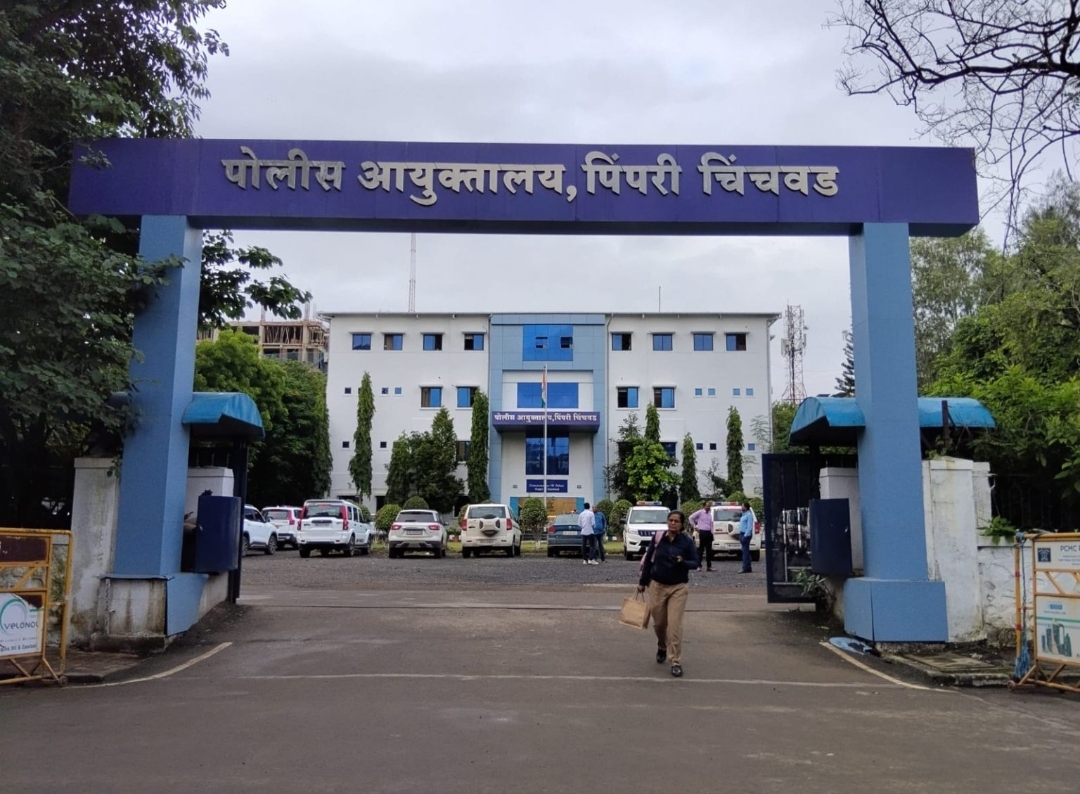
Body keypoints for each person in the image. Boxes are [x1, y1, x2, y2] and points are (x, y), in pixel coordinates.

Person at [636, 510, 699, 678]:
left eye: (676, 521)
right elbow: (648, 560)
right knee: (659, 624)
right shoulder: (659, 538)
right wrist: (642, 582)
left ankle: (675, 661)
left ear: (681, 524)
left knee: (674, 625)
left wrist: (682, 562)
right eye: (671, 520)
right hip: (657, 585)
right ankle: (662, 645)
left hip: (678, 587)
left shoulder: (686, 542)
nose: (673, 523)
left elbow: (695, 563)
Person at [688, 500, 714, 572]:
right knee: (701, 550)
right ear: (704, 506)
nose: (708, 507)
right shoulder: (700, 512)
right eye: (707, 506)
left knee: (709, 550)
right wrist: (695, 526)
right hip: (702, 532)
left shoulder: (709, 514)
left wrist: (712, 532)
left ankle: (709, 566)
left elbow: (711, 524)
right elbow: (691, 518)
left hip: (709, 532)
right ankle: (699, 566)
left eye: (709, 506)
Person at [738, 501, 754, 573]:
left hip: (745, 535)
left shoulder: (749, 515)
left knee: (745, 552)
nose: (741, 507)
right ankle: (748, 567)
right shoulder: (743, 515)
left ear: (746, 507)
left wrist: (745, 535)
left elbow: (749, 526)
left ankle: (745, 568)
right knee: (745, 551)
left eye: (742, 506)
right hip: (742, 534)